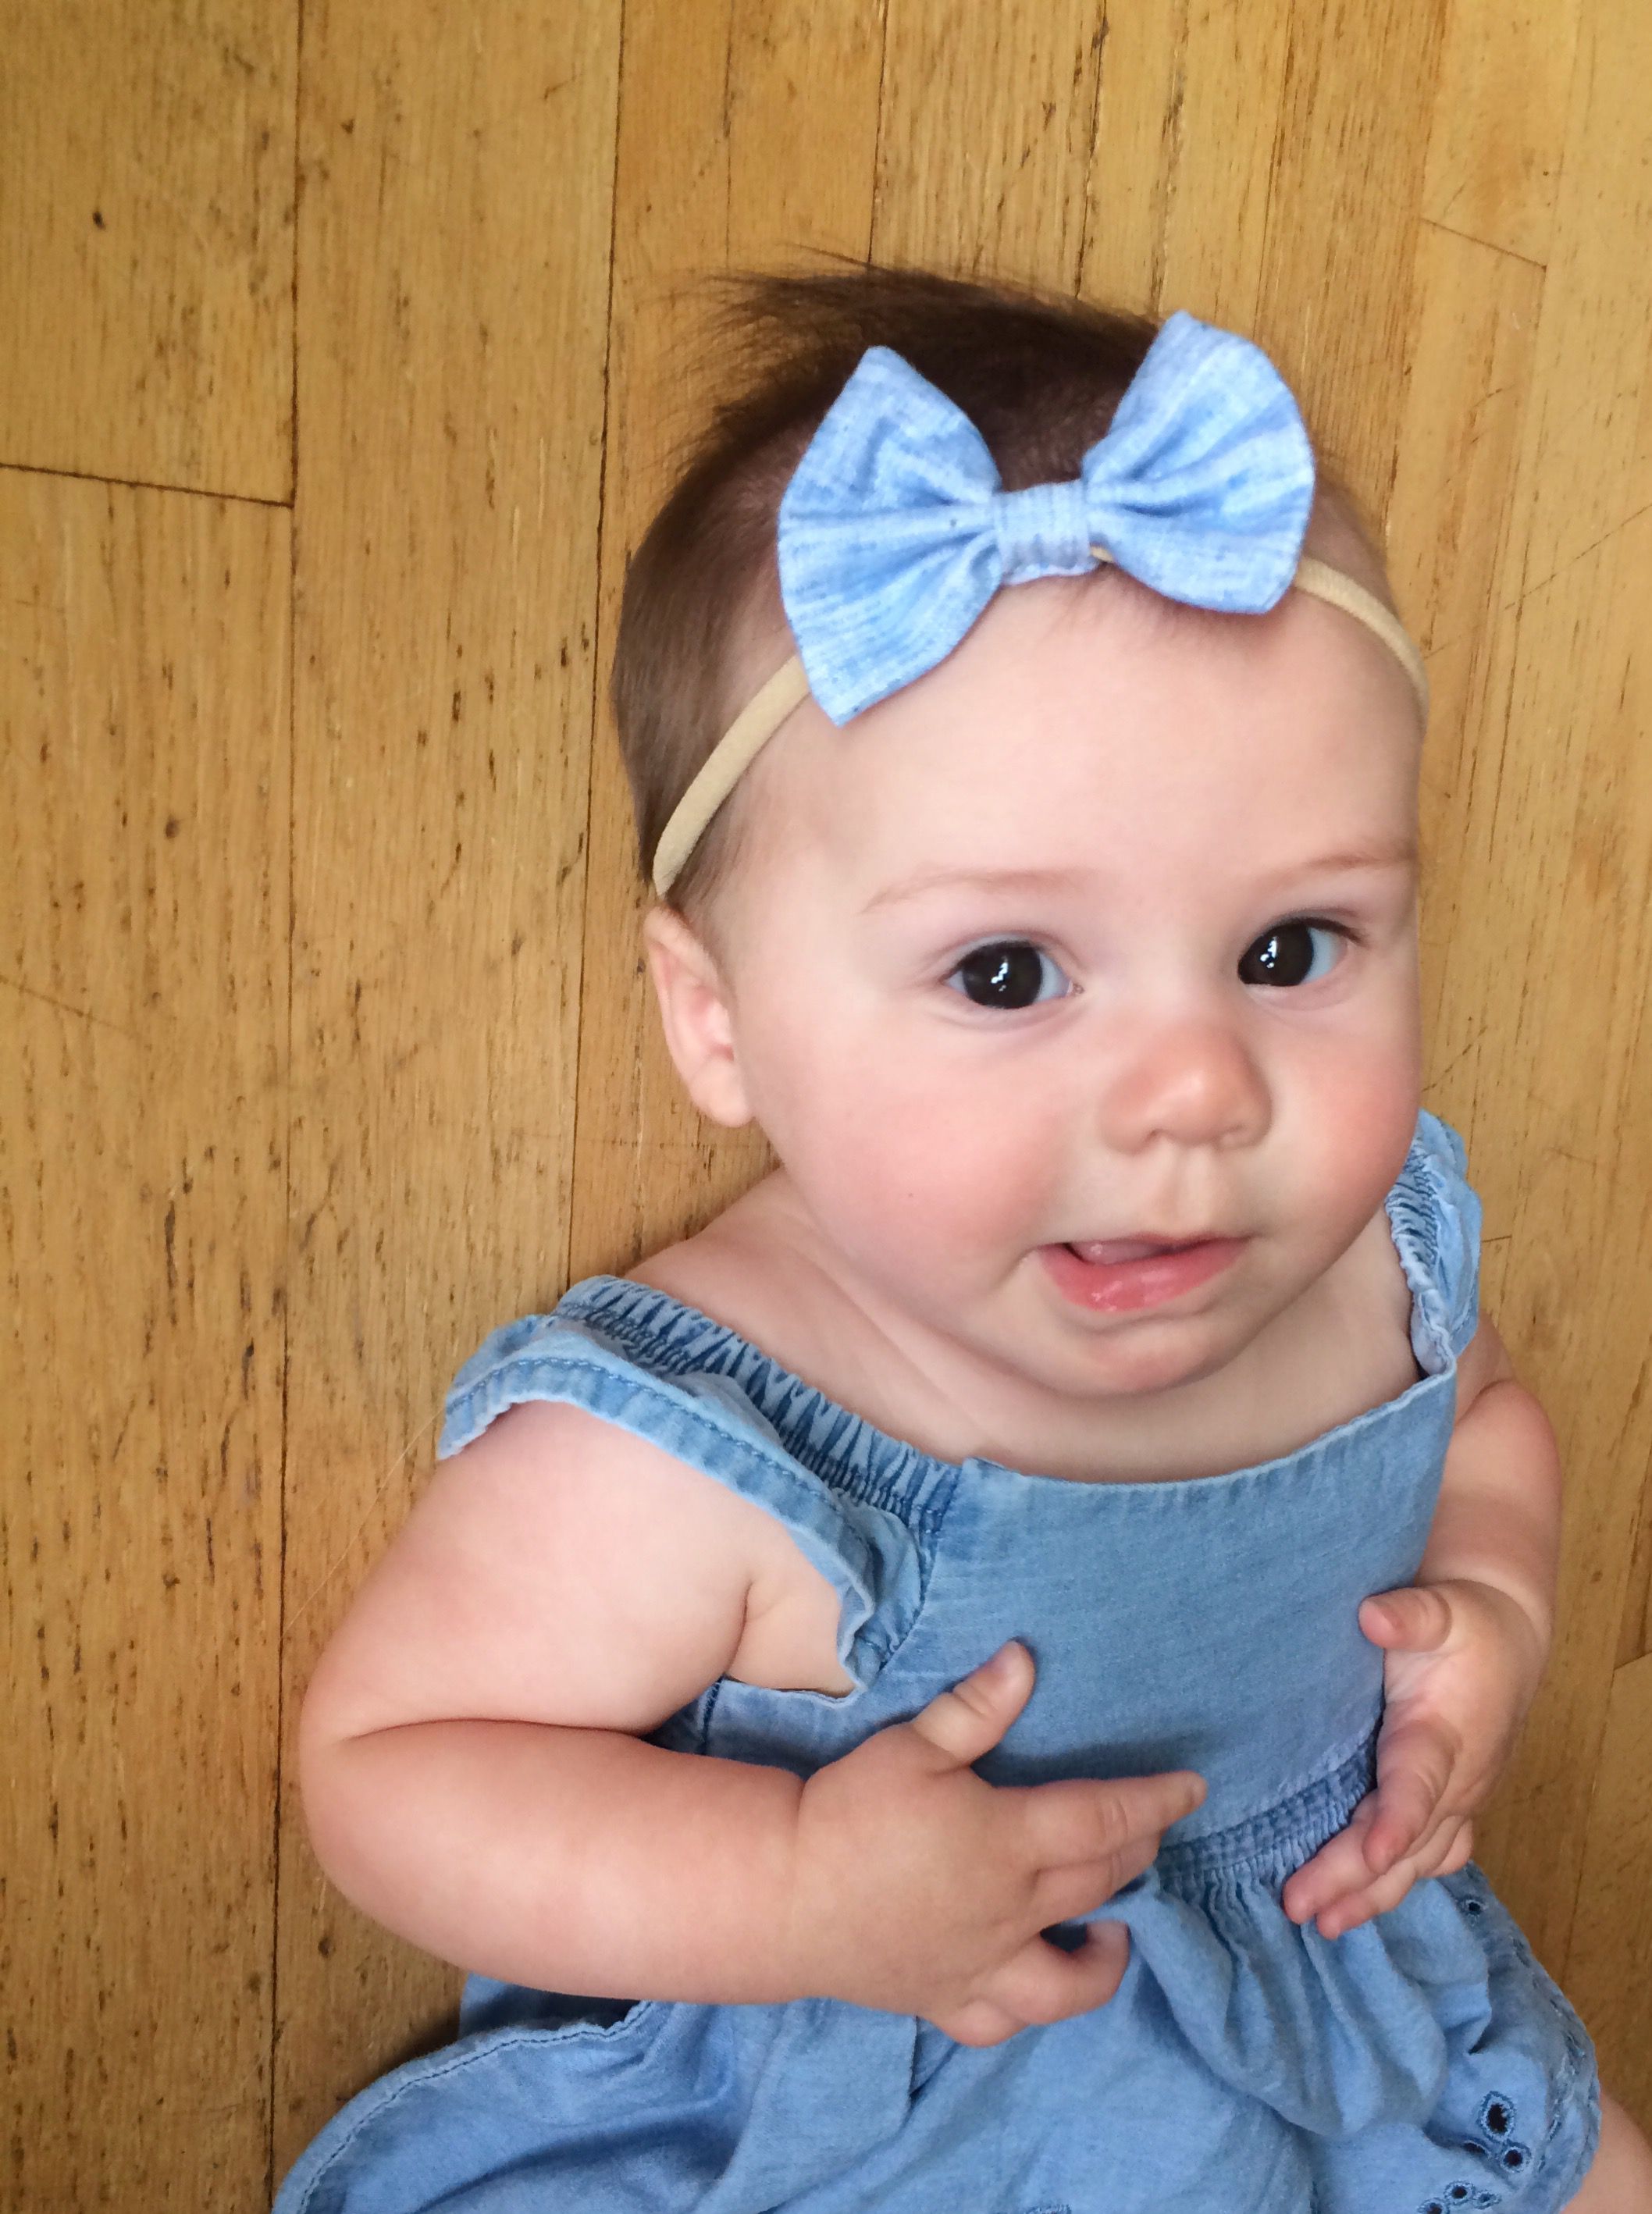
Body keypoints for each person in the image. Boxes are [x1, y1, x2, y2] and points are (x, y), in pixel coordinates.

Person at [275, 269, 1652, 2212]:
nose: (1194, 1090)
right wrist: (790, 1889)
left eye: (1288, 949)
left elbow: (1483, 1422)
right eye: (1007, 970)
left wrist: (1493, 1611)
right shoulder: (721, 1431)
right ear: (717, 1017)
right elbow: (395, 1762)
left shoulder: (1373, 1259)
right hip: (888, 2109)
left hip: (1331, 2023)